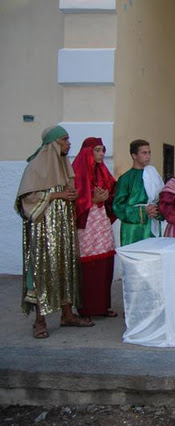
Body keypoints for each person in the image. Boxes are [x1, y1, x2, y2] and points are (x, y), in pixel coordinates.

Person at [15, 125, 95, 339]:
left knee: (65, 266)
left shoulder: (63, 165)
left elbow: (68, 192)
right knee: (42, 269)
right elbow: (26, 200)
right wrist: (55, 196)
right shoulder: (35, 167)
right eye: (64, 140)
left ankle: (67, 315)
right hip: (43, 230)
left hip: (63, 228)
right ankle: (39, 321)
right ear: (52, 144)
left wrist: (72, 195)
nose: (69, 143)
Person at [72, 137, 118, 318]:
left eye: (102, 150)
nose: (102, 154)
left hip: (102, 223)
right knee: (88, 265)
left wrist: (106, 197)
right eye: (97, 150)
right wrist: (92, 199)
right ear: (88, 152)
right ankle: (86, 309)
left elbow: (113, 191)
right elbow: (74, 199)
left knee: (105, 262)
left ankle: (102, 306)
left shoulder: (103, 171)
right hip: (86, 225)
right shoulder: (77, 172)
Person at [113, 140, 165, 246]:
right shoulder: (125, 178)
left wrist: (157, 210)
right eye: (144, 153)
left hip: (152, 224)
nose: (148, 156)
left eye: (149, 152)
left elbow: (162, 198)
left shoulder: (153, 175)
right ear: (134, 155)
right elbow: (118, 206)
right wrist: (143, 211)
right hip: (133, 229)